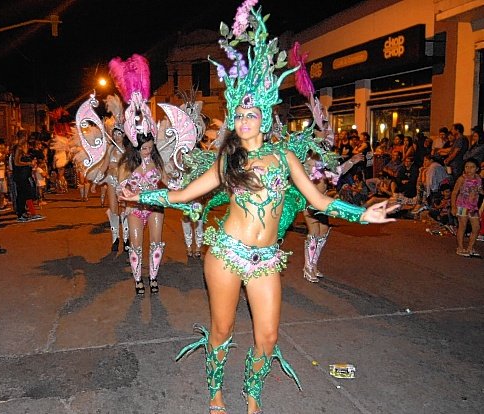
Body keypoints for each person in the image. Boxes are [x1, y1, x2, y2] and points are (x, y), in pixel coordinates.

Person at [120, 4, 396, 412]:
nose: (245, 119)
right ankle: (215, 392)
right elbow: (182, 196)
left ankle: (252, 393)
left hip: (266, 259)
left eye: (252, 113)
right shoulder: (227, 160)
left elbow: (319, 201)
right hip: (227, 254)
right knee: (223, 328)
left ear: (264, 117)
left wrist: (363, 214)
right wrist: (139, 196)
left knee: (267, 336)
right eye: (239, 114)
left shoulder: (285, 158)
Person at [117, 133, 167, 295]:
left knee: (156, 242)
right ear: (136, 148)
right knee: (136, 246)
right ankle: (138, 280)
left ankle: (153, 277)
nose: (148, 151)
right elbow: (120, 188)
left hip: (155, 206)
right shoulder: (127, 165)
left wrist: (181, 181)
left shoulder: (157, 163)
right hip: (135, 207)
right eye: (144, 148)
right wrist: (129, 195)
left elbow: (167, 182)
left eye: (151, 148)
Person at [451, 158, 483, 257]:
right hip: (462, 205)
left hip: (473, 207)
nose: (469, 169)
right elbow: (454, 192)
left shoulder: (478, 178)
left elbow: (479, 191)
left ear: (477, 169)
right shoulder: (462, 179)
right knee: (462, 226)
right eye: (466, 167)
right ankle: (460, 247)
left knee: (476, 227)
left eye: (472, 167)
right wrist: (453, 207)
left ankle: (470, 248)